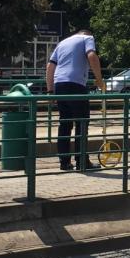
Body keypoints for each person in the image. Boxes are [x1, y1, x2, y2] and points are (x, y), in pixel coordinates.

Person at [47, 29, 105, 171]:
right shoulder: (87, 38)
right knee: (82, 123)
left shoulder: (62, 43)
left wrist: (50, 91)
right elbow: (92, 56)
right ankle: (82, 161)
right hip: (76, 84)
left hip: (59, 84)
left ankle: (64, 162)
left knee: (65, 123)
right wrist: (99, 79)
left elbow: (50, 66)